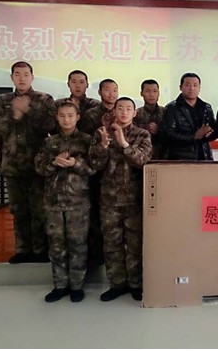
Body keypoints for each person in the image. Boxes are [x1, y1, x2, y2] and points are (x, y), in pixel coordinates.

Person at [0, 61, 56, 264]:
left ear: (32, 77)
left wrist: (29, 111)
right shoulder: (3, 100)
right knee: (19, 210)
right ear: (12, 78)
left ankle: (41, 250)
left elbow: (50, 125)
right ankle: (22, 249)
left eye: (26, 74)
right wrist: (15, 115)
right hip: (13, 165)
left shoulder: (44, 99)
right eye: (17, 74)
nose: (22, 78)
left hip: (38, 165)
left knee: (39, 210)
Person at [89, 97, 152, 302]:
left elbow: (143, 161)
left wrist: (124, 143)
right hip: (109, 199)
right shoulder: (102, 133)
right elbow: (94, 164)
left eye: (128, 109)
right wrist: (103, 146)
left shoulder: (142, 135)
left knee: (135, 244)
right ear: (114, 111)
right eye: (120, 108)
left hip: (134, 199)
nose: (124, 112)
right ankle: (117, 284)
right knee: (112, 244)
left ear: (135, 113)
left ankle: (136, 284)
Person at [35, 102, 96, 303]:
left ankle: (77, 286)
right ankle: (60, 285)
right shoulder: (49, 142)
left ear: (78, 117)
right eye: (62, 115)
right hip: (53, 202)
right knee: (56, 246)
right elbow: (39, 167)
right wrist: (54, 163)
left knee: (78, 245)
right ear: (57, 117)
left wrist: (75, 164)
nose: (66, 119)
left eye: (70, 115)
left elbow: (93, 168)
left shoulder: (87, 140)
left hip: (78, 202)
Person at [79, 78, 119, 267]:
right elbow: (84, 140)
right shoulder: (91, 114)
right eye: (107, 90)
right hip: (97, 170)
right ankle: (96, 254)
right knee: (95, 213)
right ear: (100, 92)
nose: (111, 94)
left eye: (114, 90)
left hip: (117, 172)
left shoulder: (122, 111)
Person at [162, 72, 217, 160]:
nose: (192, 88)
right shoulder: (172, 108)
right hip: (181, 157)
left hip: (204, 156)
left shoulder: (206, 107)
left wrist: (209, 133)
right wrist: (194, 136)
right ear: (181, 87)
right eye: (188, 85)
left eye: (195, 85)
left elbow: (213, 128)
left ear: (199, 88)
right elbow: (168, 134)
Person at [134, 79, 166, 159]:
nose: (151, 95)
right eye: (147, 91)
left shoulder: (166, 112)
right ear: (141, 93)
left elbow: (172, 135)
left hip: (164, 156)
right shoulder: (135, 114)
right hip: (142, 156)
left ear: (159, 93)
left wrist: (159, 130)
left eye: (155, 91)